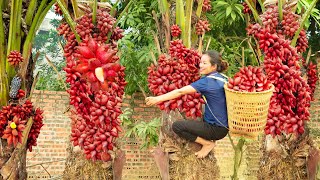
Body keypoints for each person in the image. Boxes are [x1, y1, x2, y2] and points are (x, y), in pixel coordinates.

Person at [145, 50, 229, 158]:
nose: (200, 65)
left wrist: (157, 99)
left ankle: (207, 144)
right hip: (224, 128)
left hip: (215, 130)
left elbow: (180, 91)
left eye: (204, 63)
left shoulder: (206, 82)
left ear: (213, 66)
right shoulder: (224, 79)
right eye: (200, 62)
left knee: (177, 126)